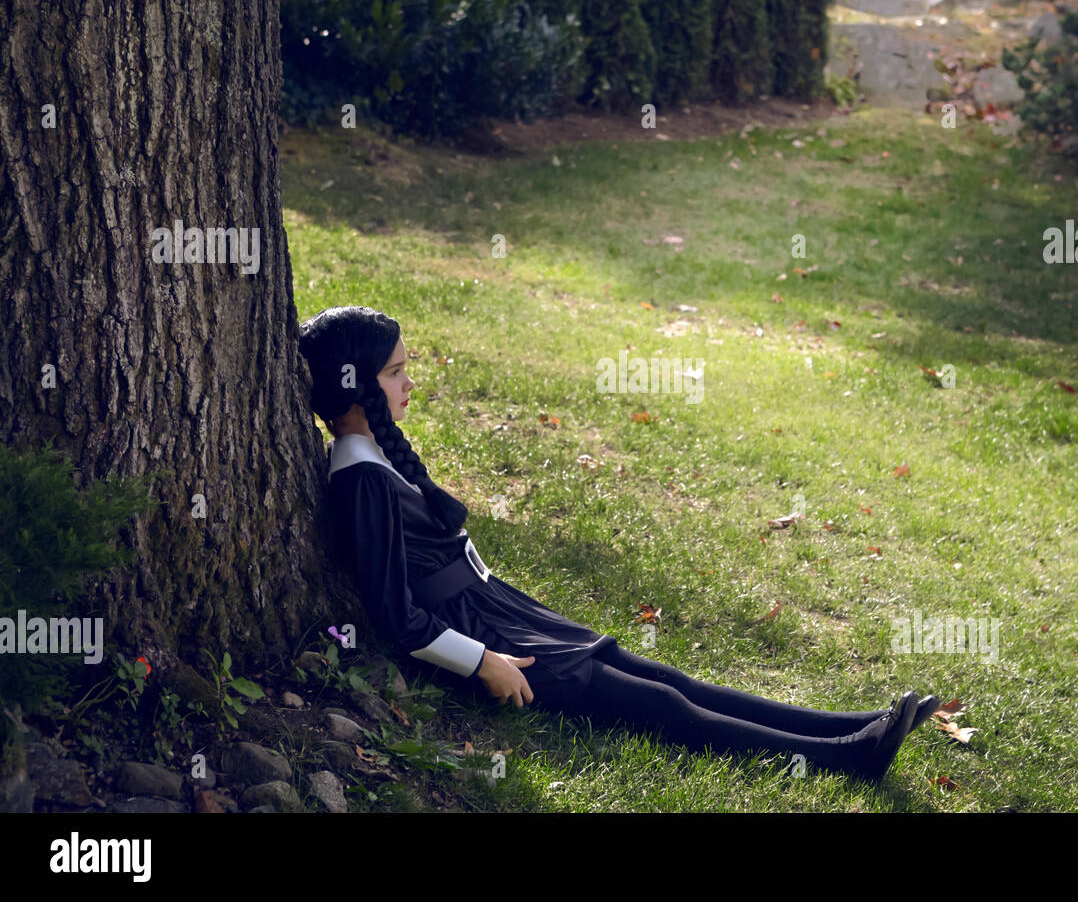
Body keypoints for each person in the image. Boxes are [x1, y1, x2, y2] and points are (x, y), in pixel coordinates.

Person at [298, 305, 941, 781]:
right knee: (656, 703)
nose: (410, 383)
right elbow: (392, 613)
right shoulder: (359, 480)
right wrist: (482, 661)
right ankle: (846, 759)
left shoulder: (374, 457)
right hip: (479, 640)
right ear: (357, 386)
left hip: (499, 612)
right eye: (396, 372)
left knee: (662, 674)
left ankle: (851, 728)